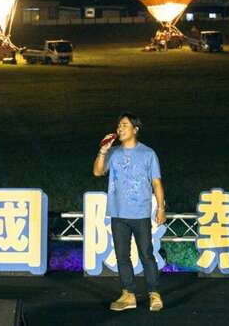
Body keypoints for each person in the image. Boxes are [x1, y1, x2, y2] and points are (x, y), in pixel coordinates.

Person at [93, 113, 166, 312]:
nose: (120, 129)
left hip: (141, 212)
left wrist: (161, 208)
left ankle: (154, 293)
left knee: (146, 254)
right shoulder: (113, 152)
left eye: (124, 125)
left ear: (135, 130)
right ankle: (128, 294)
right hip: (118, 213)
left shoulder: (148, 154)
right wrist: (102, 151)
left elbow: (156, 182)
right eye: (118, 126)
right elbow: (98, 172)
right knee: (122, 256)